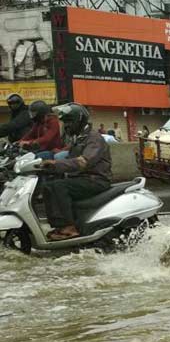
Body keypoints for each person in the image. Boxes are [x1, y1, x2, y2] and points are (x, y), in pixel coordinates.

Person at [40, 103, 112, 240]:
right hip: (82, 179)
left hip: (96, 180)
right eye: (64, 122)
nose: (66, 125)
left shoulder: (94, 138)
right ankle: (60, 225)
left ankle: (70, 227)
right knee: (48, 186)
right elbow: (68, 158)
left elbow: (83, 161)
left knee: (59, 186)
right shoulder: (78, 138)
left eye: (68, 121)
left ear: (78, 121)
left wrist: (56, 164)